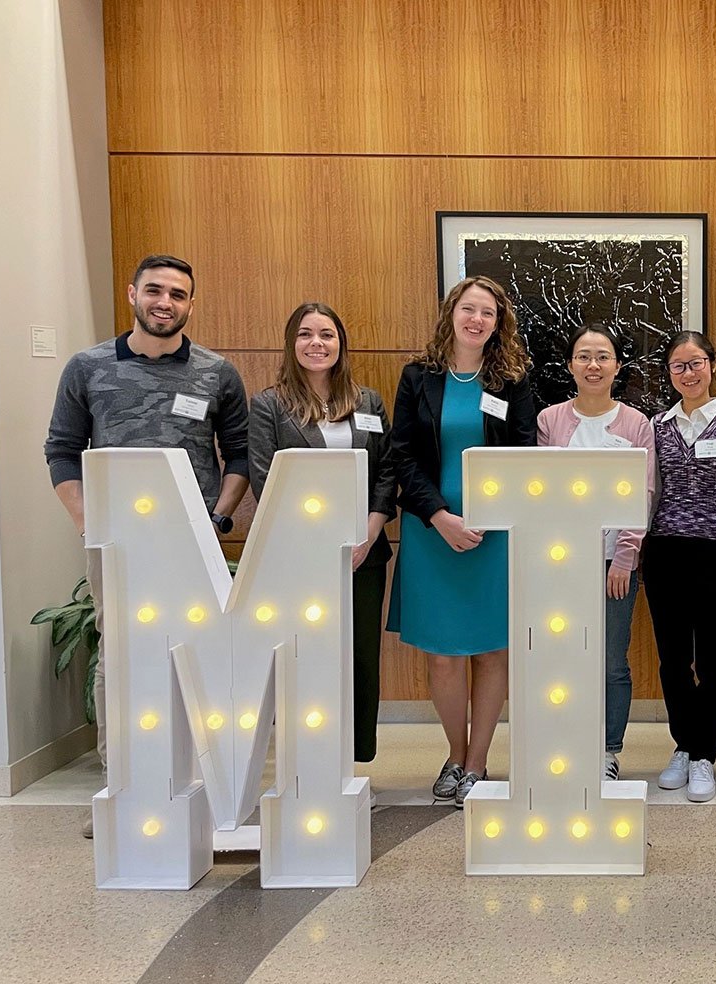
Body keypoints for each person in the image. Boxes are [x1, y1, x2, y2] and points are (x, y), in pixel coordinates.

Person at [44, 254, 249, 838]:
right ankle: (125, 787)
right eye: (155, 291)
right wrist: (91, 524)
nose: (165, 303)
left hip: (194, 541)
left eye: (178, 295)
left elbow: (237, 454)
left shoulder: (216, 372)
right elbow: (61, 450)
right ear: (132, 293)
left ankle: (202, 784)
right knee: (123, 657)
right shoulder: (86, 368)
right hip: (119, 544)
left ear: (191, 303)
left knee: (200, 653)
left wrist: (220, 516)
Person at [387, 275, 535, 806]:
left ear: (498, 324)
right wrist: (441, 517)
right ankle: (454, 753)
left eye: (488, 313)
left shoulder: (512, 381)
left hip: (494, 535)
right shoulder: (417, 377)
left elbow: (522, 454)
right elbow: (401, 454)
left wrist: (488, 518)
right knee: (444, 655)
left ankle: (478, 763)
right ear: (452, 312)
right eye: (469, 309)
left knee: (492, 650)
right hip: (432, 532)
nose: (477, 320)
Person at [248, 302, 396, 764]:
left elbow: (387, 472)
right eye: (306, 335)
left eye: (327, 334)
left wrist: (371, 531)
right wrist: (309, 545)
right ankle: (309, 765)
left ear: (341, 344)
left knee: (358, 660)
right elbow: (263, 479)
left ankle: (349, 767)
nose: (317, 344)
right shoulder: (269, 406)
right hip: (299, 559)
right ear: (292, 344)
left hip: (362, 554)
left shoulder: (367, 401)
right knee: (307, 660)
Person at [536, 323, 657, 782]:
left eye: (602, 356)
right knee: (562, 654)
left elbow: (641, 493)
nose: (593, 365)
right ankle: (566, 742)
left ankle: (608, 750)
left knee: (610, 658)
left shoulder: (635, 423)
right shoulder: (550, 420)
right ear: (570, 365)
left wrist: (625, 556)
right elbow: (543, 494)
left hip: (614, 563)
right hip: (563, 559)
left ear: (617, 367)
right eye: (584, 356)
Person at [644, 331, 716, 802]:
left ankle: (706, 754)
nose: (688, 374)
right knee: (672, 658)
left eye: (696, 363)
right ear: (669, 373)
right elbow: (651, 493)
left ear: (712, 365)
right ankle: (684, 746)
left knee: (711, 658)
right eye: (678, 366)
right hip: (665, 551)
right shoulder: (657, 425)